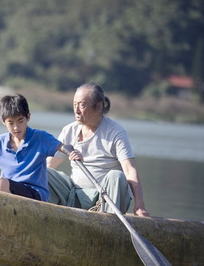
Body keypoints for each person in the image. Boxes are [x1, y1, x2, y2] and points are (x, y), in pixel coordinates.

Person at [46, 82, 151, 216]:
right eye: (74, 105)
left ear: (99, 105)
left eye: (82, 105)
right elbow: (49, 164)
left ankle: (109, 222)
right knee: (43, 172)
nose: (77, 111)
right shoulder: (69, 130)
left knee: (117, 176)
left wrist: (139, 205)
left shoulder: (116, 132)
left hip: (106, 199)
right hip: (75, 194)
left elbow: (129, 170)